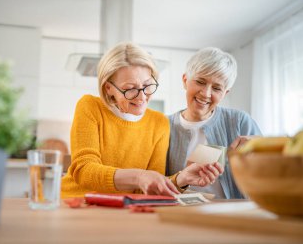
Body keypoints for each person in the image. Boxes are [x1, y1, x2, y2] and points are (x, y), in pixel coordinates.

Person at [61, 42, 223, 198]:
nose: (142, 97)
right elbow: (84, 170)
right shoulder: (90, 106)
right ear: (108, 88)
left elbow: (147, 189)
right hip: (77, 202)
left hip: (122, 210)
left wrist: (182, 178)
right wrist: (139, 176)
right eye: (130, 89)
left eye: (148, 85)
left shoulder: (159, 122)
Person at [167, 47, 262, 199]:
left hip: (231, 214)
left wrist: (260, 148)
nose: (206, 93)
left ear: (225, 93)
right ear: (185, 80)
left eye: (217, 88)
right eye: (200, 82)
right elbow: (154, 183)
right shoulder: (164, 126)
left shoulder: (239, 121)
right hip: (180, 214)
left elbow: (269, 172)